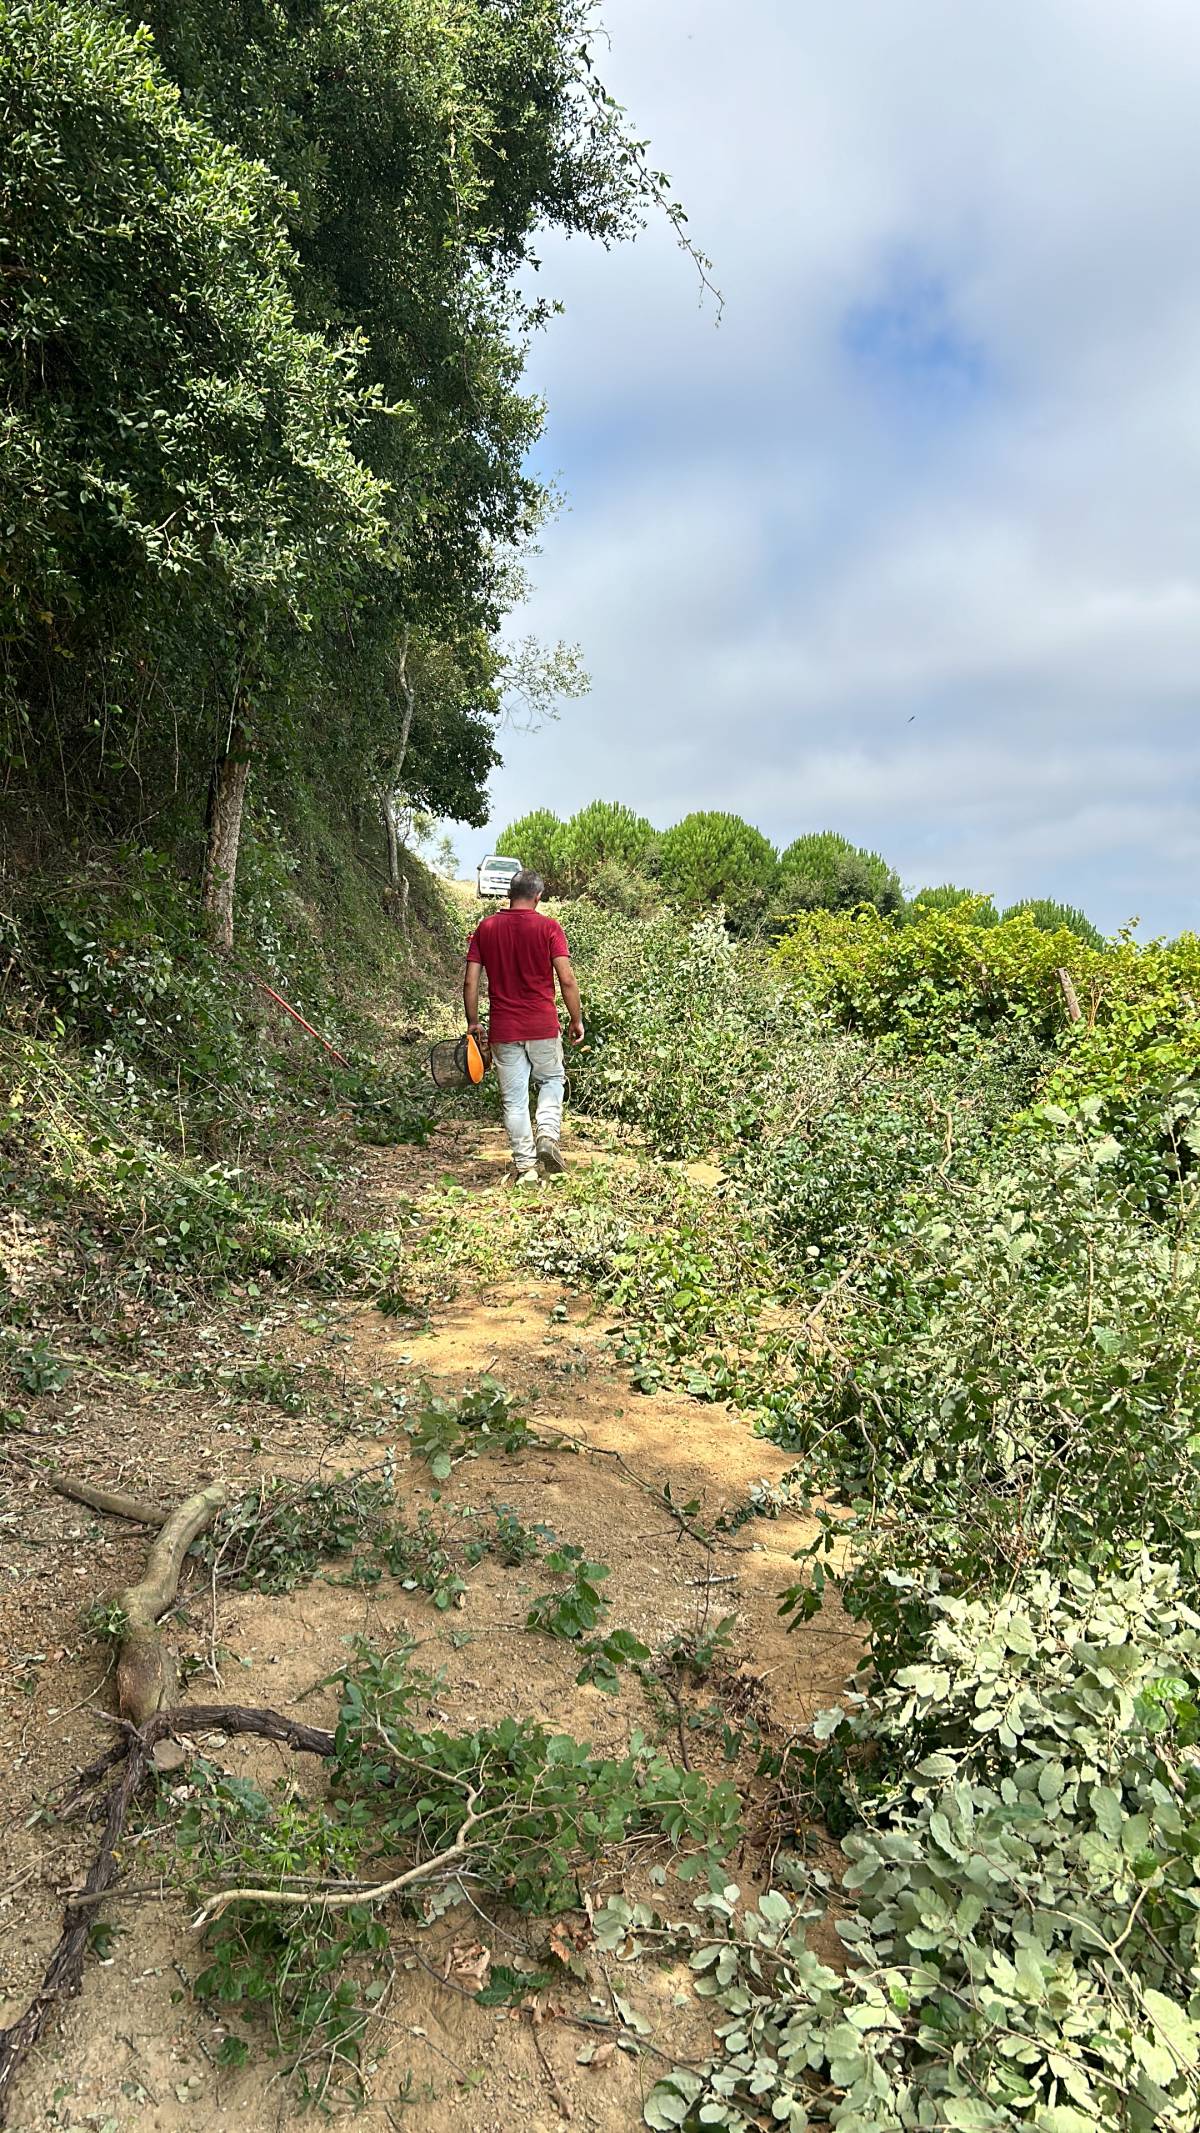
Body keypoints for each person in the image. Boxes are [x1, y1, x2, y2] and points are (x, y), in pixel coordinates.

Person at [463, 869, 585, 1183]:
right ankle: (547, 1134)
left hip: (505, 1030)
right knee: (551, 1080)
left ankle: (526, 1168)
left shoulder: (486, 928)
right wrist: (576, 1019)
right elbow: (567, 979)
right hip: (542, 1025)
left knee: (514, 1100)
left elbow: (470, 982)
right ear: (538, 896)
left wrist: (474, 1023)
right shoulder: (548, 927)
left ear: (509, 894)